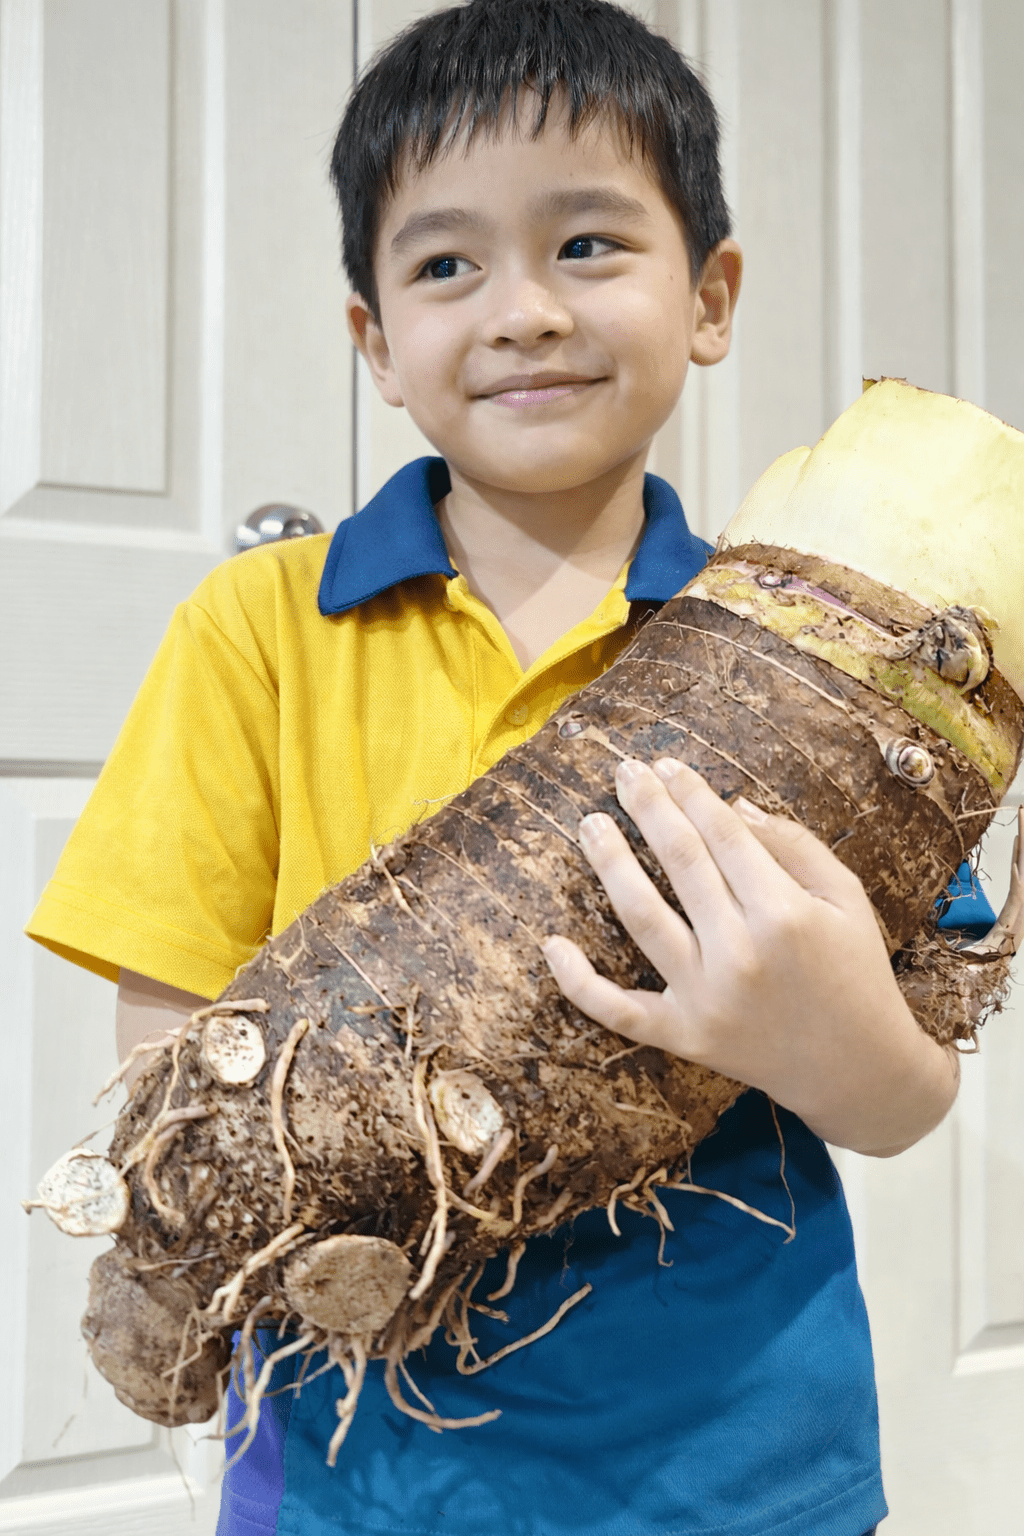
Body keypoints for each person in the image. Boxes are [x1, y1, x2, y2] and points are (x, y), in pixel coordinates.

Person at [26, 2, 995, 1532]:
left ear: (712, 294)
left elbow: (903, 1097)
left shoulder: (820, 652)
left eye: (591, 246)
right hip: (364, 1474)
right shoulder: (259, 631)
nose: (524, 309)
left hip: (741, 1465)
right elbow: (177, 1046)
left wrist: (809, 1031)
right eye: (445, 265)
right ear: (377, 344)